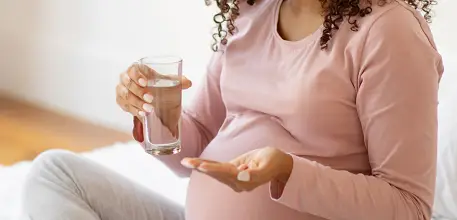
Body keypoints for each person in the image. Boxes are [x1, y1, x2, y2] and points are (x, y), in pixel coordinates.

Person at [21, 0, 444, 219]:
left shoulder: (388, 31)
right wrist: (153, 110)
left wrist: (288, 172)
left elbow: (407, 206)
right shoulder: (253, 11)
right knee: (54, 173)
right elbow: (199, 146)